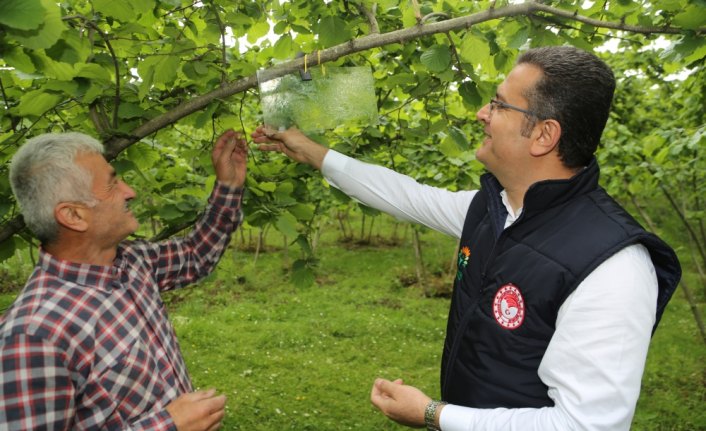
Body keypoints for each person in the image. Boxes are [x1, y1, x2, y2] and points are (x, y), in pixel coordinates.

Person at [252, 46, 681, 430]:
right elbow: (407, 196)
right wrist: (309, 150)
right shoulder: (493, 210)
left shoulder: (613, 266)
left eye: (499, 105)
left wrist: (433, 414)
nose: (482, 113)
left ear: (544, 135)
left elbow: (586, 425)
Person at [0, 129, 247, 430]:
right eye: (112, 184)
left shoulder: (132, 262)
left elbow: (196, 254)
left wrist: (229, 185)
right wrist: (167, 426)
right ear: (74, 216)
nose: (129, 191)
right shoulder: (34, 336)